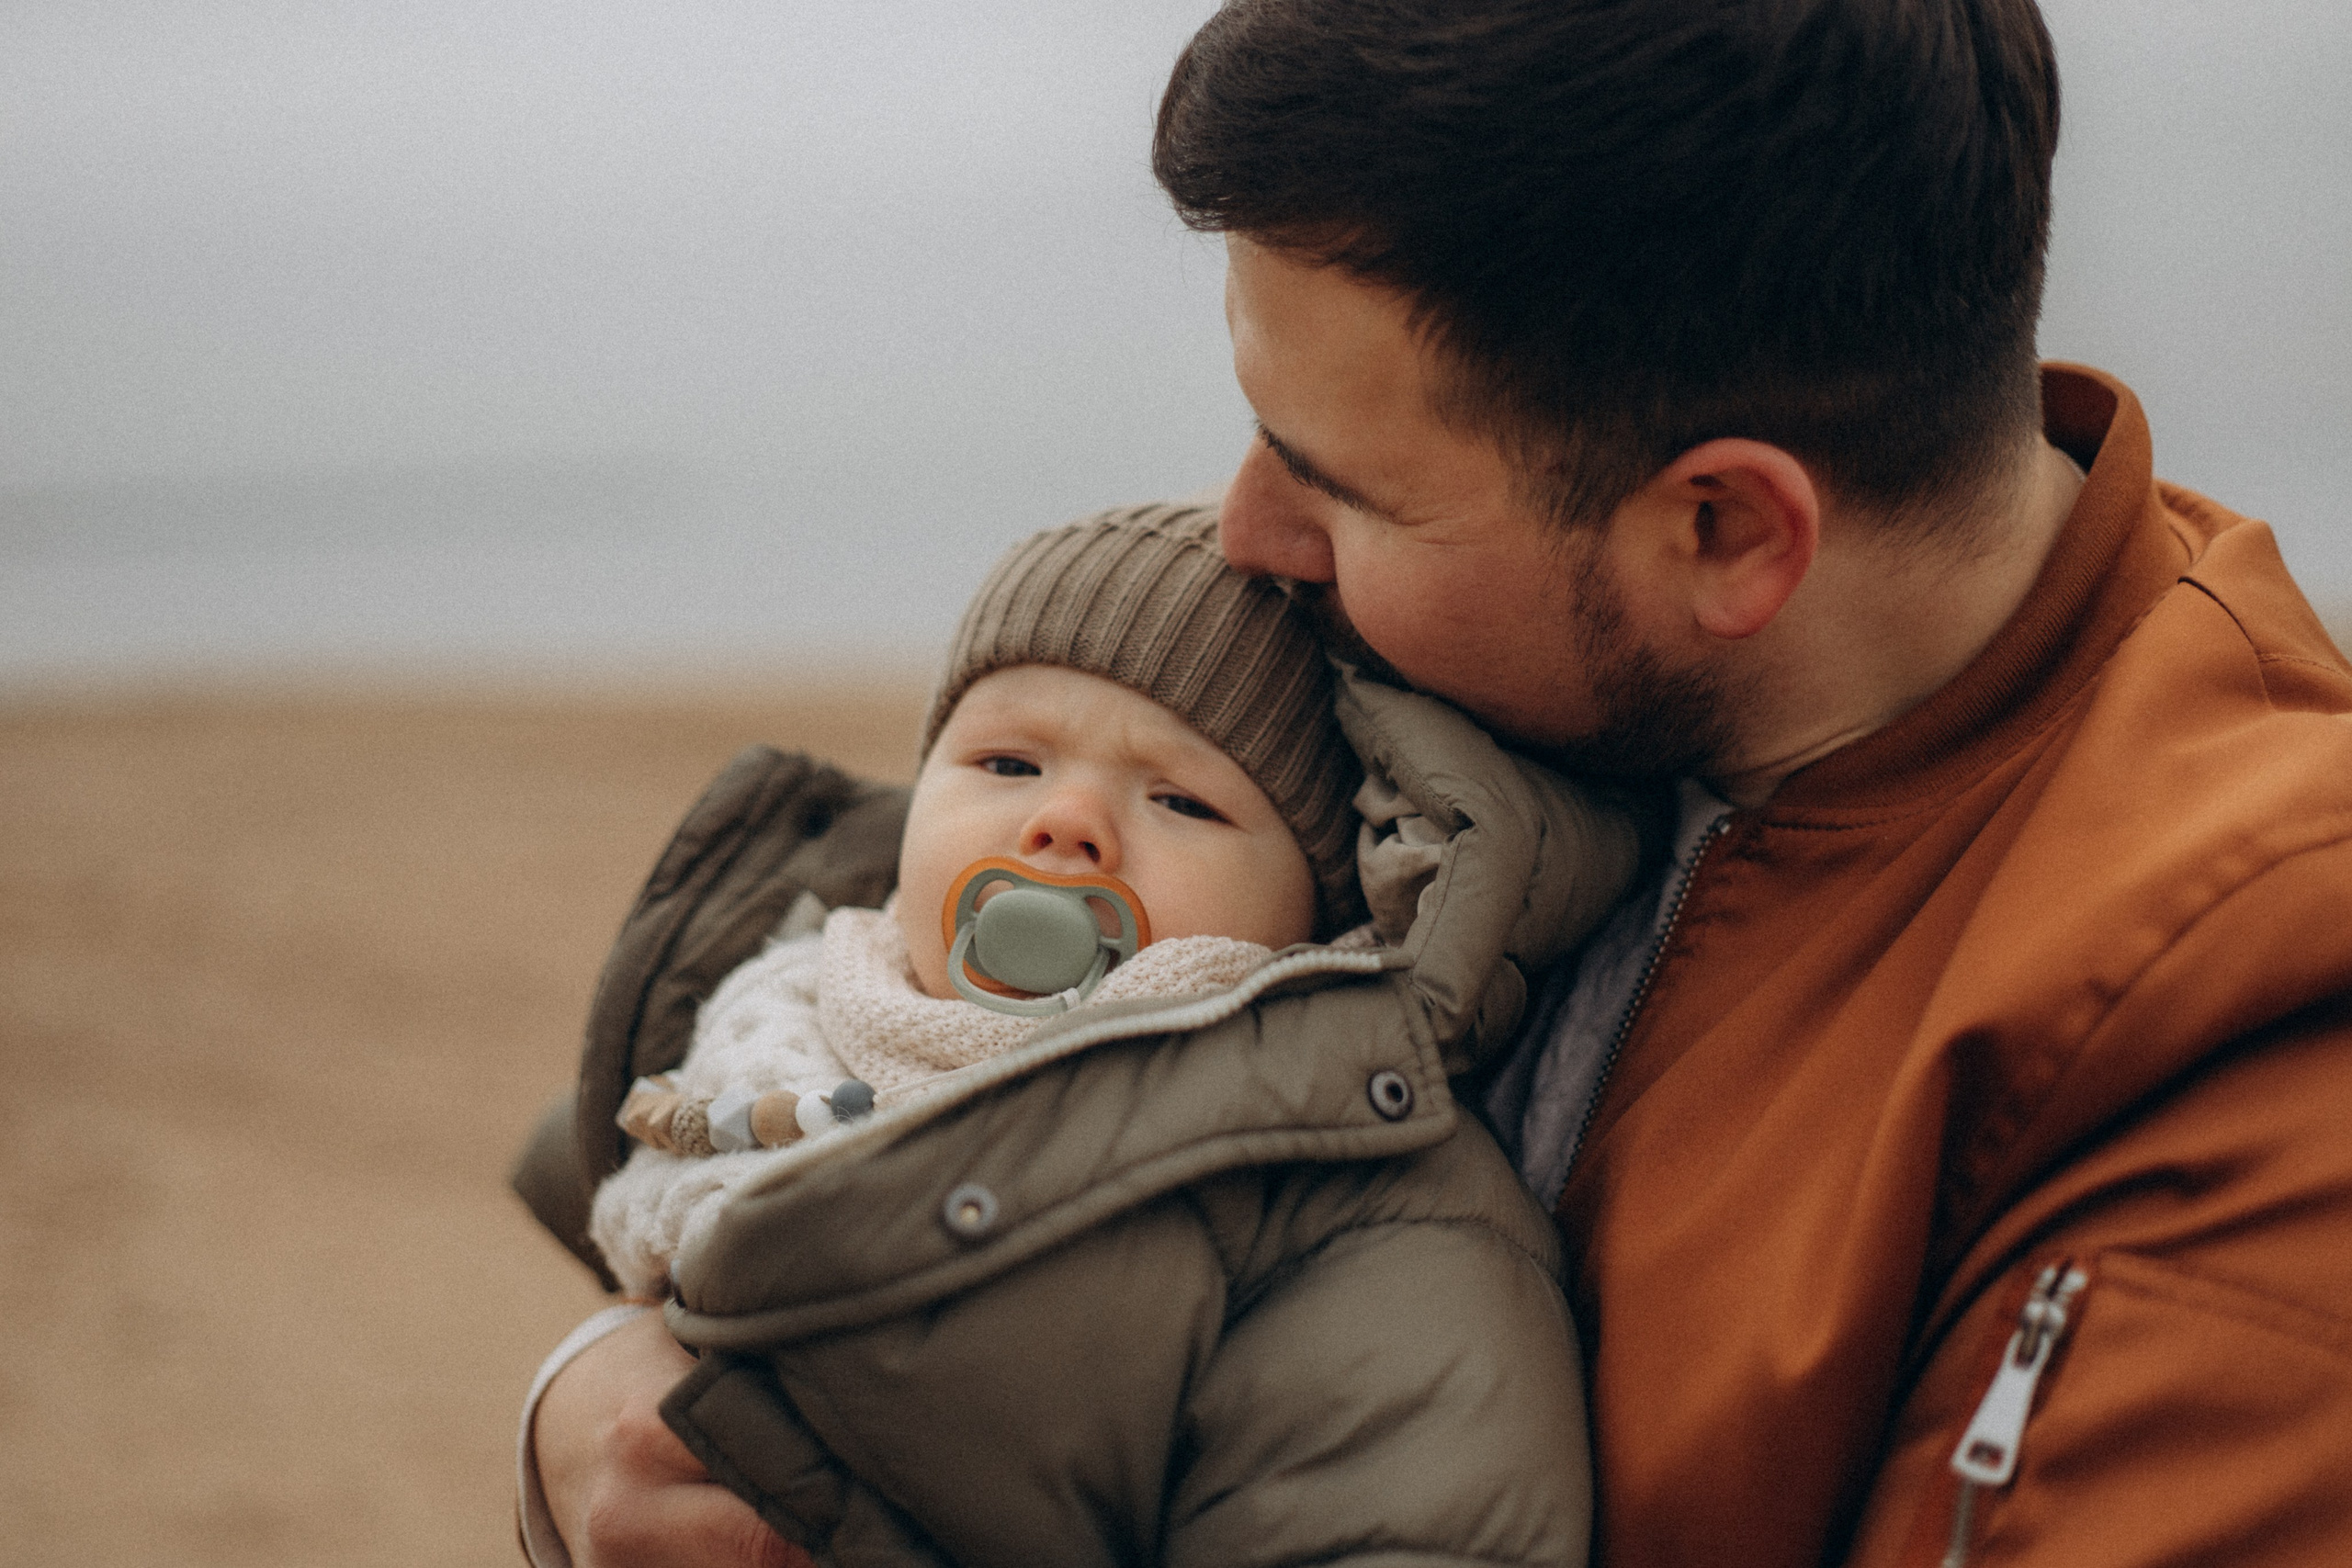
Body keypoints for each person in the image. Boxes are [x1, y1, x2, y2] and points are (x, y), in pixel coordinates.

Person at [521, 2, 2352, 1563]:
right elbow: (924, 1048)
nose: (1248, 532)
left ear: (1717, 529)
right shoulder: (1456, 668)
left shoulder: (2251, 1056)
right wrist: (594, 1410)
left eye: (1334, 477)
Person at [516, 503, 1637, 1566]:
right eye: (1008, 765)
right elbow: (619, 1233)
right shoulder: (778, 1014)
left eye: (1182, 802)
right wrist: (567, 1394)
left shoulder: (1365, 1225)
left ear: (1317, 912)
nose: (1065, 822)